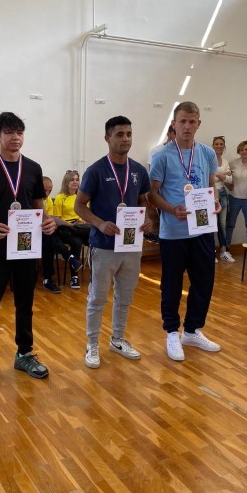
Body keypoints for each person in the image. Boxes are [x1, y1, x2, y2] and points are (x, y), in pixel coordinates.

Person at [0, 112, 56, 390]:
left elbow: (38, 206)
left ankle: (24, 354)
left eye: (19, 132)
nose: (16, 137)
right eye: (9, 132)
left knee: (25, 303)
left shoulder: (33, 168)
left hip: (26, 246)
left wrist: (48, 221)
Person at [74, 116, 152, 368]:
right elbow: (79, 205)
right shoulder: (96, 170)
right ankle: (92, 343)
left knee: (125, 297)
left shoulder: (138, 171)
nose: (125, 139)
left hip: (131, 245)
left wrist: (147, 218)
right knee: (97, 298)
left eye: (129, 134)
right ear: (107, 138)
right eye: (120, 134)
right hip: (104, 246)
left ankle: (117, 339)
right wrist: (99, 223)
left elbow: (142, 201)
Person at [149, 101, 222, 362]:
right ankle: (171, 332)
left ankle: (191, 331)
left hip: (202, 230)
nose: (187, 126)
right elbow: (151, 194)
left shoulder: (207, 153)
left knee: (203, 282)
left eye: (192, 122)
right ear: (174, 124)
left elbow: (210, 187)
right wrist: (171, 209)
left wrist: (216, 202)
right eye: (182, 121)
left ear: (198, 123)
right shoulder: (162, 156)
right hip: (174, 232)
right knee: (172, 284)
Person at [41, 176, 81, 293]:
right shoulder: (31, 199)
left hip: (45, 232)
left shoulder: (48, 201)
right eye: (44, 190)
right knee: (48, 237)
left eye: (50, 191)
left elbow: (50, 219)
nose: (47, 194)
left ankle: (48, 279)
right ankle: (69, 257)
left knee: (48, 239)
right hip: (32, 232)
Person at [52, 170, 91, 289]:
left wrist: (83, 222)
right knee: (77, 242)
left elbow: (86, 215)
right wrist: (70, 225)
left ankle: (96, 274)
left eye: (77, 179)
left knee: (94, 239)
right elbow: (56, 219)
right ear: (66, 182)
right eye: (72, 179)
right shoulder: (60, 198)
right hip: (65, 229)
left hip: (80, 228)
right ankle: (74, 277)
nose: (75, 182)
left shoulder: (81, 197)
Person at [225, 140, 247, 257]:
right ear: (238, 151)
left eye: (246, 149)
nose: (244, 151)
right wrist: (227, 185)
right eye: (241, 150)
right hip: (234, 198)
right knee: (230, 224)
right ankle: (226, 248)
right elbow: (225, 176)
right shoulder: (232, 163)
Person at [212, 136, 233, 262]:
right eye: (216, 144)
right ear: (213, 146)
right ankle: (210, 253)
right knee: (211, 224)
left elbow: (230, 180)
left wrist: (219, 176)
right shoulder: (208, 159)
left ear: (224, 146)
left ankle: (223, 251)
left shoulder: (225, 161)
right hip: (211, 194)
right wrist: (223, 176)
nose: (219, 146)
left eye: (221, 144)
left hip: (223, 194)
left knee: (223, 224)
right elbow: (209, 178)